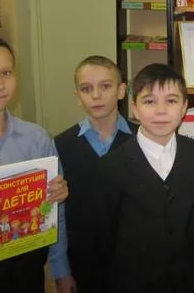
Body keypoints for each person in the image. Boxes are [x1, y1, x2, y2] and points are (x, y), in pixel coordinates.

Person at [0, 33, 71, 293]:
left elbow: (56, 214)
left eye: (6, 72)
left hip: (27, 259)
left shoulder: (37, 138)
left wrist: (60, 269)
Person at [99, 63, 194, 293]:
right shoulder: (112, 164)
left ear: (184, 107)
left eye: (171, 101)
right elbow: (104, 235)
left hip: (188, 278)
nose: (161, 111)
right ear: (135, 108)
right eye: (149, 101)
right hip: (134, 280)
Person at [54, 55, 137, 293]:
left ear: (121, 91)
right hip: (83, 262)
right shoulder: (61, 145)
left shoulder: (142, 140)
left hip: (136, 261)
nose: (96, 95)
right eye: (86, 89)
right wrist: (61, 270)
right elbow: (57, 213)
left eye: (106, 86)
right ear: (78, 96)